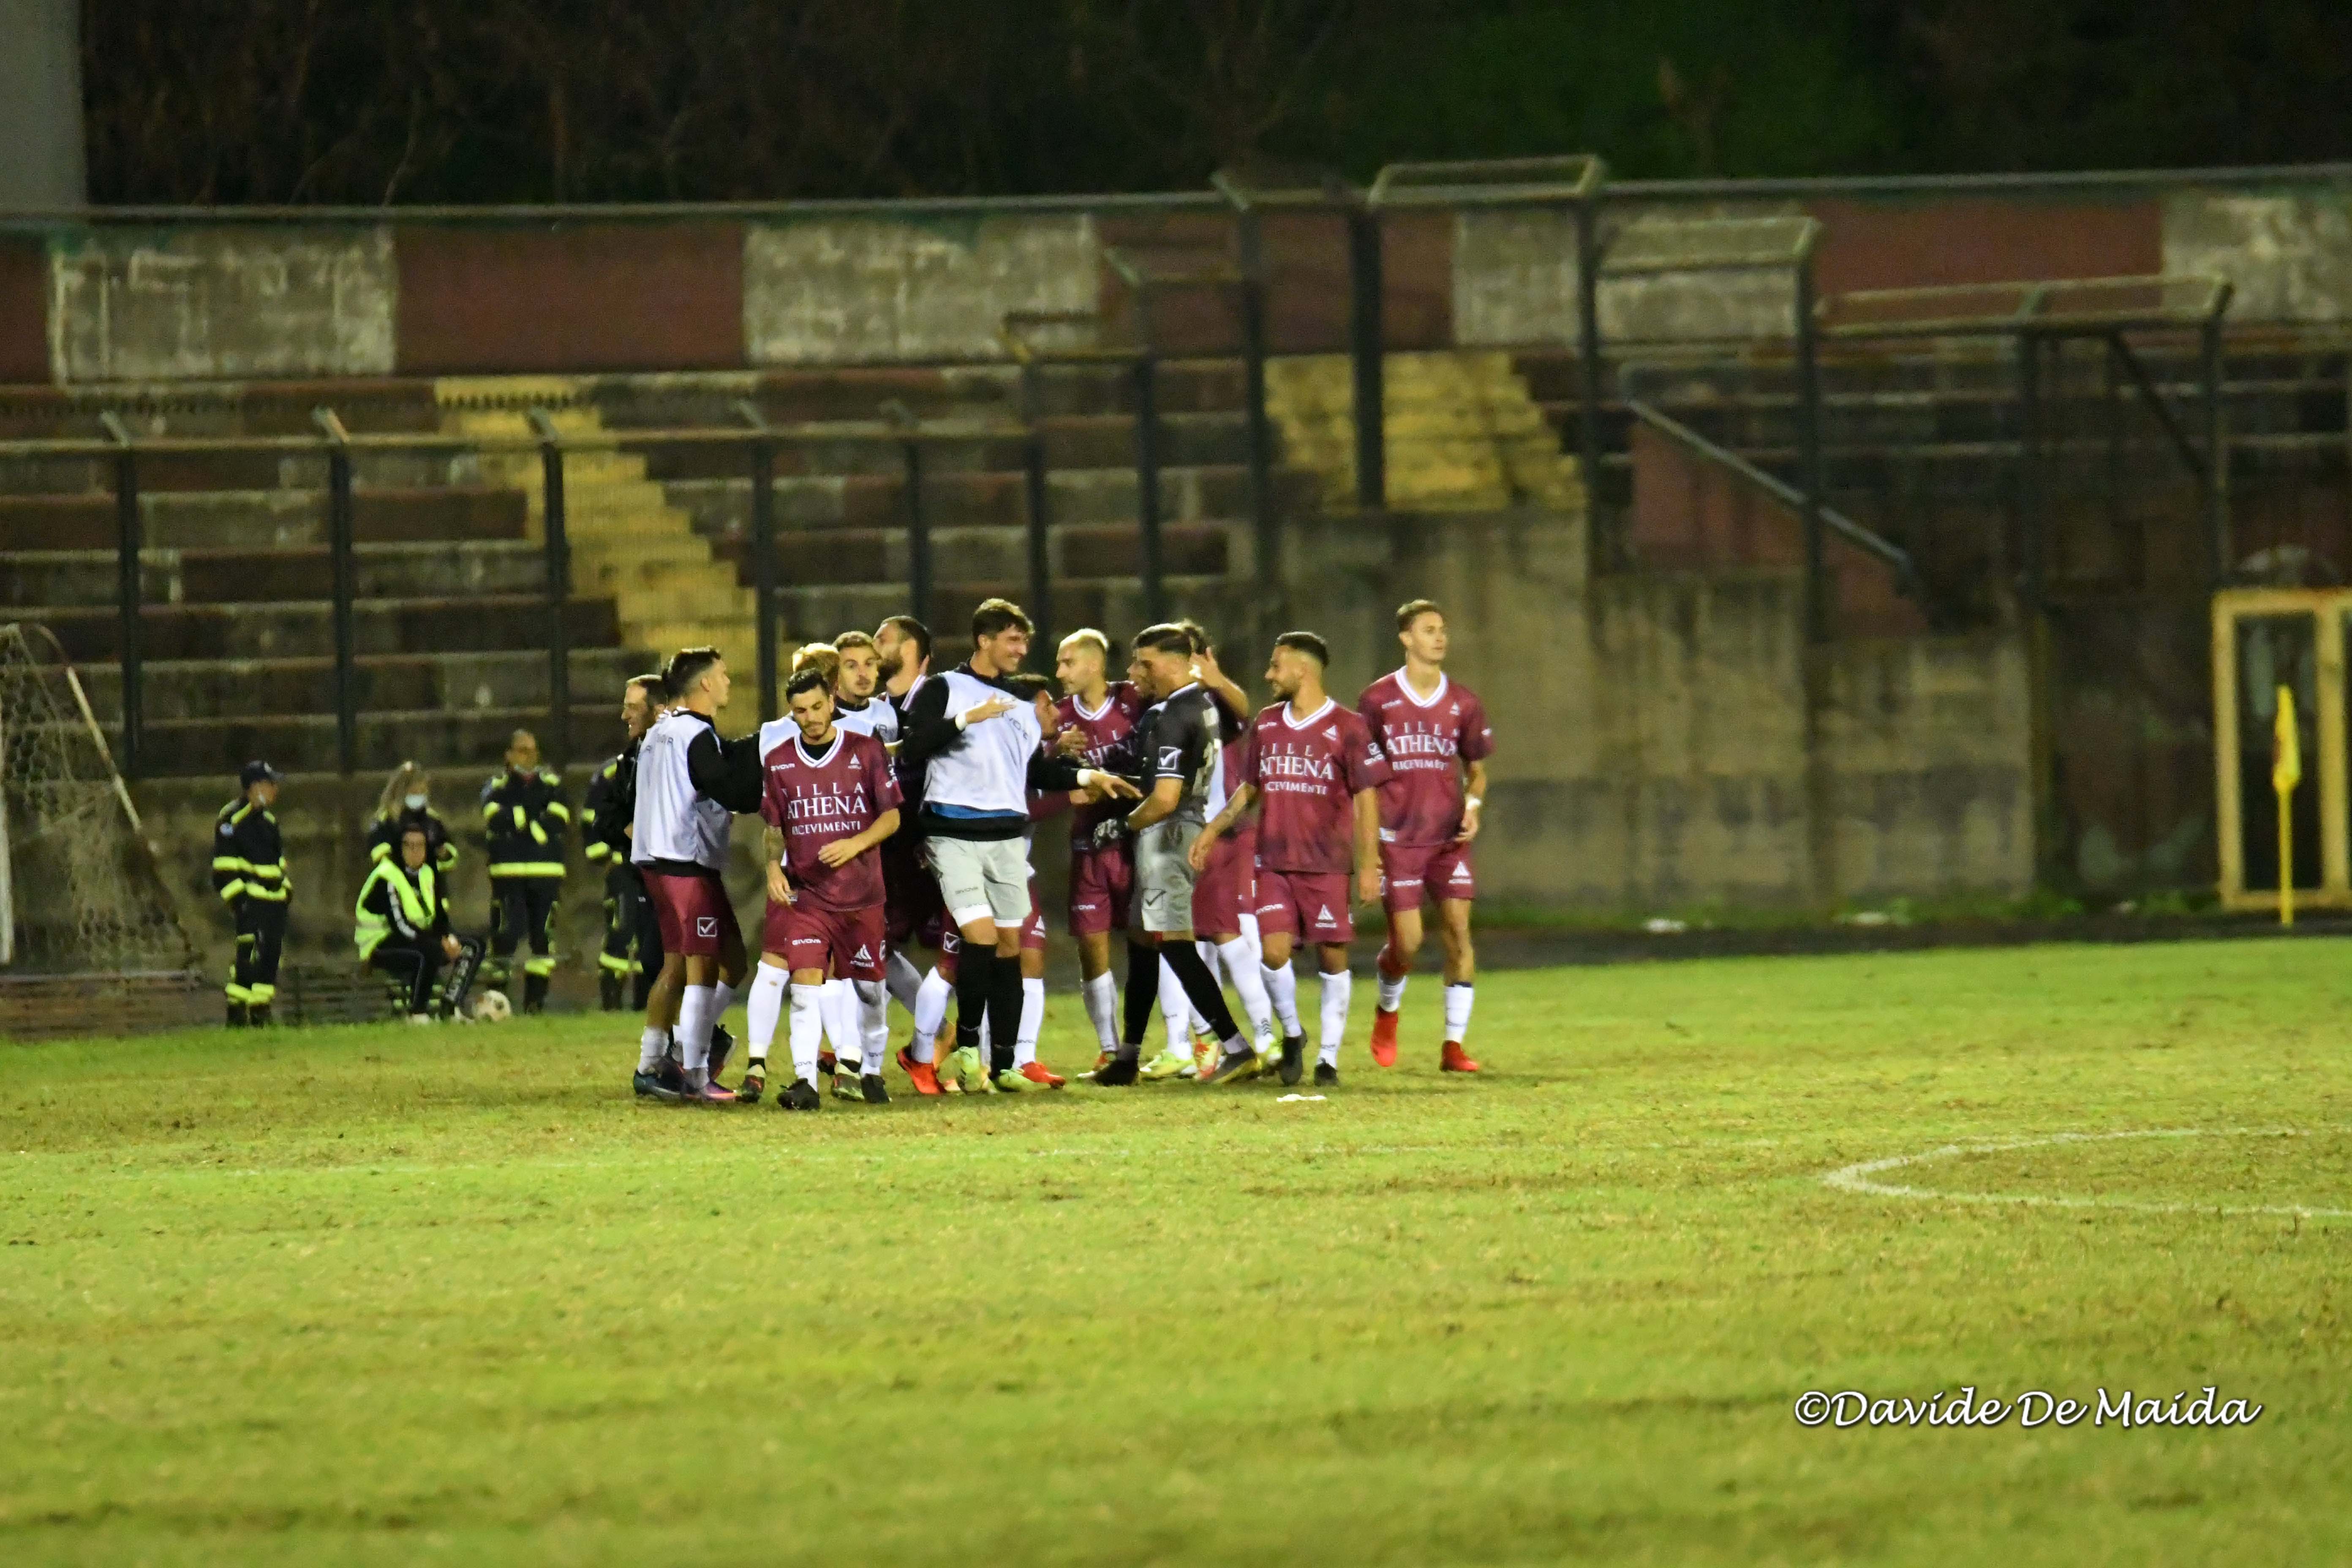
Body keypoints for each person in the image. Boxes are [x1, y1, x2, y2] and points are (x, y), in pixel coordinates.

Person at [895, 598, 1138, 1093]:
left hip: (1006, 839)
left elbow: (1034, 770)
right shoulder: (945, 688)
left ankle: (1004, 1063)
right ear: (984, 640)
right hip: (955, 834)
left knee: (1012, 947)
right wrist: (965, 720)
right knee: (980, 938)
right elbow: (912, 748)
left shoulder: (1022, 703)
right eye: (1012, 639)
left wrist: (1089, 776)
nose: (1021, 649)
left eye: (1024, 640)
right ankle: (968, 1047)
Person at [1192, 632, 1386, 1087]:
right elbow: (1250, 789)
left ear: (1302, 670)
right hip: (1274, 863)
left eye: (1276, 666)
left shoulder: (1349, 726)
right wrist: (1213, 829)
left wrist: (1370, 865)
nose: (1268, 675)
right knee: (1274, 954)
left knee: (1333, 959)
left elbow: (1367, 799)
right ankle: (1294, 1033)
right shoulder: (1266, 723)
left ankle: (1329, 1059)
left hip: (1327, 865)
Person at [1090, 624, 1258, 1087]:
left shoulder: (1174, 715)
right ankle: (1128, 1056)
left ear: (1177, 664)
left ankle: (1237, 1047)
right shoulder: (1202, 705)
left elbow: (1165, 797)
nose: (1135, 672)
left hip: (1169, 834)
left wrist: (1121, 825)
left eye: (1145, 663)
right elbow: (1240, 719)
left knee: (1176, 943)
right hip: (1179, 827)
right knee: (1143, 942)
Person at [741, 667, 903, 1110]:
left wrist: (856, 843)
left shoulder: (865, 750)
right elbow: (774, 827)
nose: (811, 717)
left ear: (832, 702)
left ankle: (870, 1068)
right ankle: (805, 1082)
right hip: (808, 896)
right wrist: (773, 868)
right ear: (790, 713)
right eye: (801, 711)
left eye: (817, 707)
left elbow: (892, 817)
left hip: (862, 894)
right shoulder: (779, 760)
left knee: (870, 989)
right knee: (805, 983)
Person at [1359, 599, 1493, 1073]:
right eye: (1429, 629)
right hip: (1398, 840)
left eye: (1443, 629)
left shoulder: (1464, 702)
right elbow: (1363, 779)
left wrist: (1472, 807)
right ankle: (1388, 1009)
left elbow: (1477, 771)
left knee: (1459, 934)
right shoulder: (1378, 700)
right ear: (1406, 638)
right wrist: (1366, 849)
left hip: (1448, 841)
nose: (1440, 637)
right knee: (1408, 944)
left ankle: (1453, 1047)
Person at [631, 647, 758, 1102]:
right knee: (701, 966)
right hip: (684, 863)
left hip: (659, 861)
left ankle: (654, 1062)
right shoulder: (695, 735)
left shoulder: (659, 732)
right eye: (722, 675)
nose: (728, 682)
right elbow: (726, 788)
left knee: (722, 961)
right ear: (705, 683)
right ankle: (695, 1069)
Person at [1053, 628, 1144, 1070]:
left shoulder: (1134, 701)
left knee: (1155, 942)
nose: (1060, 672)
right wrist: (1055, 752)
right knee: (1092, 946)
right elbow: (1036, 773)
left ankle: (1188, 1044)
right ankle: (1109, 1049)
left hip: (1137, 839)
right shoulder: (1058, 717)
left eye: (1068, 662)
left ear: (1094, 664)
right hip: (1089, 843)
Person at [584, 675, 664, 1011]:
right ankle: (616, 1007)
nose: (624, 715)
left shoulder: (683, 758)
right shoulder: (619, 770)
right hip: (629, 869)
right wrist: (612, 853)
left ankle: (653, 1011)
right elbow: (598, 821)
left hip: (669, 871)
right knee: (624, 931)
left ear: (657, 711)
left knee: (661, 942)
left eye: (633, 707)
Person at [355, 823, 484, 1024]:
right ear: (400, 848)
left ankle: (450, 1008)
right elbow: (401, 927)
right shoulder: (387, 877)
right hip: (380, 944)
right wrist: (437, 943)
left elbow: (439, 915)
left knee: (473, 946)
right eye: (409, 845)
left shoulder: (428, 874)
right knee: (429, 951)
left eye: (420, 845)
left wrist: (448, 938)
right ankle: (418, 1013)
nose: (415, 851)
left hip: (418, 937)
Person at [480, 729, 570, 1013]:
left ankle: (535, 1006)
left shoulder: (553, 785)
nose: (530, 756)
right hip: (508, 876)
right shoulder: (496, 786)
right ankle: (495, 1002)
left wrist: (519, 821)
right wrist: (534, 821)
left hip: (546, 875)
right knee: (505, 937)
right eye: (522, 750)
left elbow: (559, 820)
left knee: (542, 940)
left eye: (533, 750)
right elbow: (495, 819)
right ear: (508, 755)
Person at [211, 759, 289, 1027]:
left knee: (271, 957)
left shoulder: (269, 822)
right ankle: (237, 1011)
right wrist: (240, 903)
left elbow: (279, 863)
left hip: (274, 902)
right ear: (254, 787)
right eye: (270, 784)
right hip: (250, 902)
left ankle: (260, 1010)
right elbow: (223, 868)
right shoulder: (232, 819)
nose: (275, 790)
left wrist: (285, 893)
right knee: (249, 956)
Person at [366, 762, 458, 876]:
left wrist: (445, 855)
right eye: (414, 792)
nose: (419, 796)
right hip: (397, 883)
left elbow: (449, 854)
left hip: (429, 884)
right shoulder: (387, 820)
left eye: (422, 792)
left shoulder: (432, 820)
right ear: (401, 792)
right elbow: (378, 854)